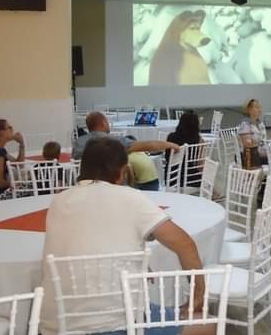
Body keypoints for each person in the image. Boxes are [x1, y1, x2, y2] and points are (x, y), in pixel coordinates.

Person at [39, 138, 206, 335]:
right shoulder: (131, 198)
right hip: (120, 324)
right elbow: (185, 245)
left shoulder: (58, 201)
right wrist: (198, 295)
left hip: (55, 326)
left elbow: (93, 235)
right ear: (122, 172)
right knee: (207, 324)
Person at [73, 112, 179, 160]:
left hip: (85, 186)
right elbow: (148, 145)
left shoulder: (78, 143)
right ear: (103, 123)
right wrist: (171, 145)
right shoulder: (115, 142)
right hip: (112, 185)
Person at [167, 112, 205, 188]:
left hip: (171, 176)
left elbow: (167, 157)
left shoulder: (171, 137)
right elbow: (199, 165)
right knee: (209, 183)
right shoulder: (198, 140)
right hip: (190, 177)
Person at [238, 99, 268, 167]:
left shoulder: (260, 123)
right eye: (257, 107)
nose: (259, 109)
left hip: (259, 153)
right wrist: (263, 149)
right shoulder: (245, 124)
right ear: (249, 110)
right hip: (248, 156)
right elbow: (248, 144)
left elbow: (263, 140)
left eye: (260, 107)